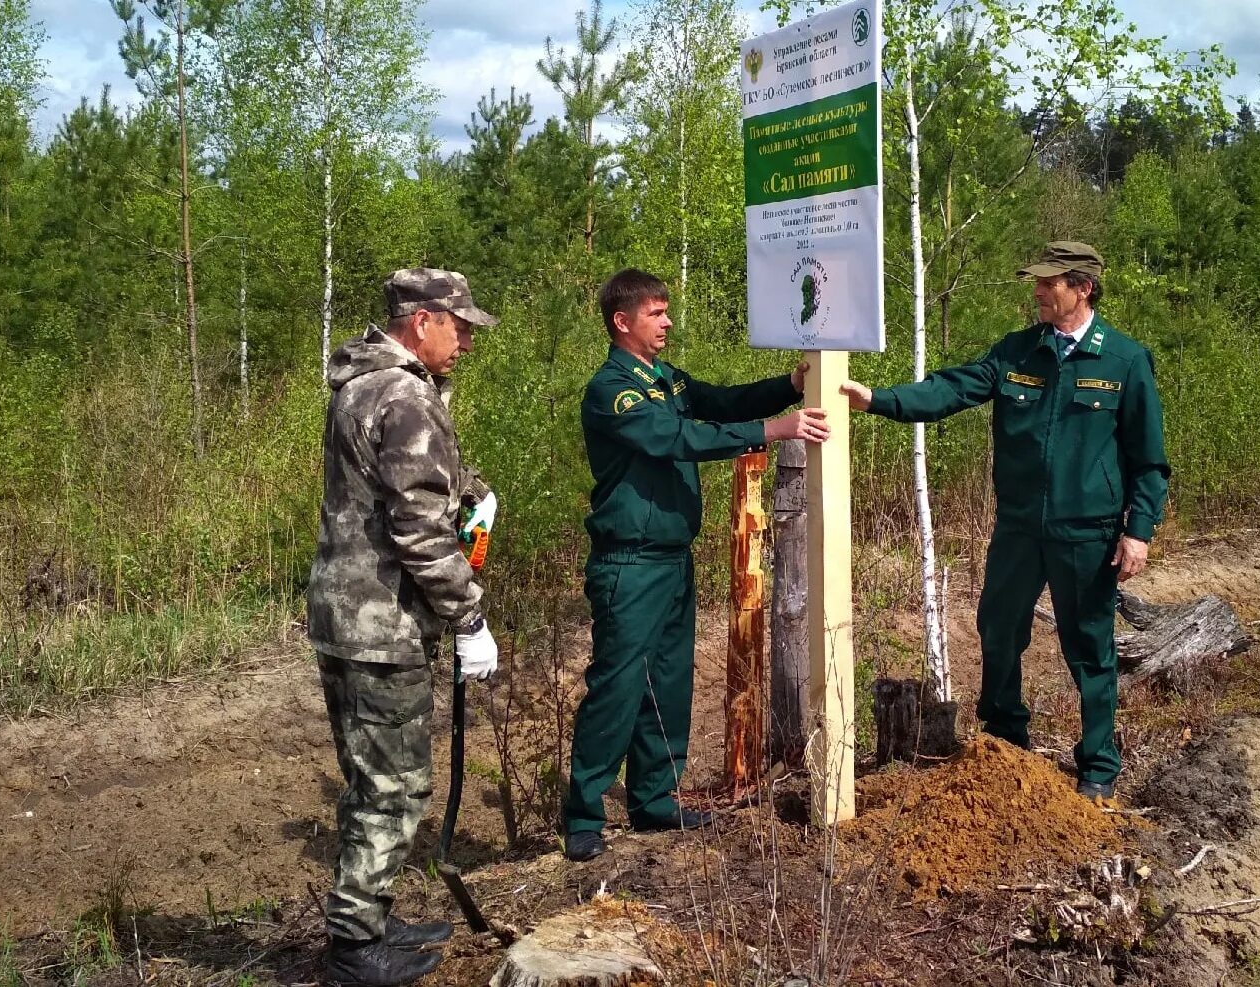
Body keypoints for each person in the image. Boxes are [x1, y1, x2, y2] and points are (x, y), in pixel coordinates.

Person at [841, 241, 1169, 802]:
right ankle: (1003, 740)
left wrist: (1137, 531)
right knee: (998, 631)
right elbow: (951, 387)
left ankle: (1096, 763)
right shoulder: (1018, 352)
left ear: (1082, 287)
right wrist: (878, 399)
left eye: (1049, 283)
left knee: (1089, 646)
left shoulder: (1123, 360)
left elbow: (1149, 459)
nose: (1038, 292)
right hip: (1019, 528)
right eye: (1037, 282)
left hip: (1088, 532)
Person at [563, 268, 830, 862]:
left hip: (671, 560)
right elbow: (672, 438)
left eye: (667, 311)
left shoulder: (667, 380)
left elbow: (723, 402)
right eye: (656, 313)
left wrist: (790, 384)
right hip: (629, 564)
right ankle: (584, 813)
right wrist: (770, 432)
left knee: (668, 683)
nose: (667, 321)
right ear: (622, 321)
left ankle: (655, 800)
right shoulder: (615, 389)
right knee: (617, 687)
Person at [307, 268, 503, 986]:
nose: (468, 343)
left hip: (343, 614)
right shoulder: (406, 393)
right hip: (381, 623)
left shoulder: (360, 384)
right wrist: (469, 614)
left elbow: (402, 479)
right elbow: (419, 531)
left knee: (370, 778)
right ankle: (357, 946)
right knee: (394, 785)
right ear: (423, 321)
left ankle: (373, 917)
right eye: (462, 327)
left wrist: (471, 487)